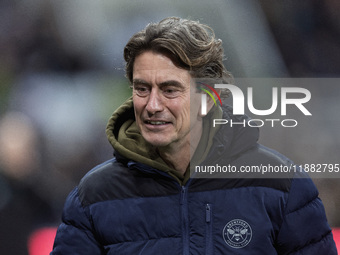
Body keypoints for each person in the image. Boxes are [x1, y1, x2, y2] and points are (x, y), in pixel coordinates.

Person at [51, 17, 337, 254]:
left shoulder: (285, 188)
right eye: (142, 89)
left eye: (169, 89)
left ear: (208, 99)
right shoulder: (93, 196)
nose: (152, 105)